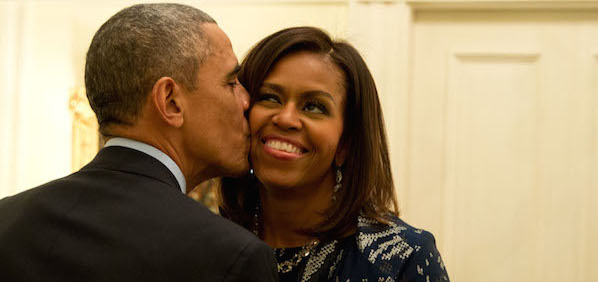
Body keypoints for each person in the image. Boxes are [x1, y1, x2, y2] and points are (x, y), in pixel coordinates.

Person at [0, 4, 277, 281]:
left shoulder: (7, 220)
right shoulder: (232, 257)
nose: (245, 100)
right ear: (171, 102)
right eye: (231, 83)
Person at [218, 26, 449, 281]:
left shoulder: (401, 258)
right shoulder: (210, 243)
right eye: (270, 98)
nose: (286, 118)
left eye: (314, 106)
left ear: (346, 143)